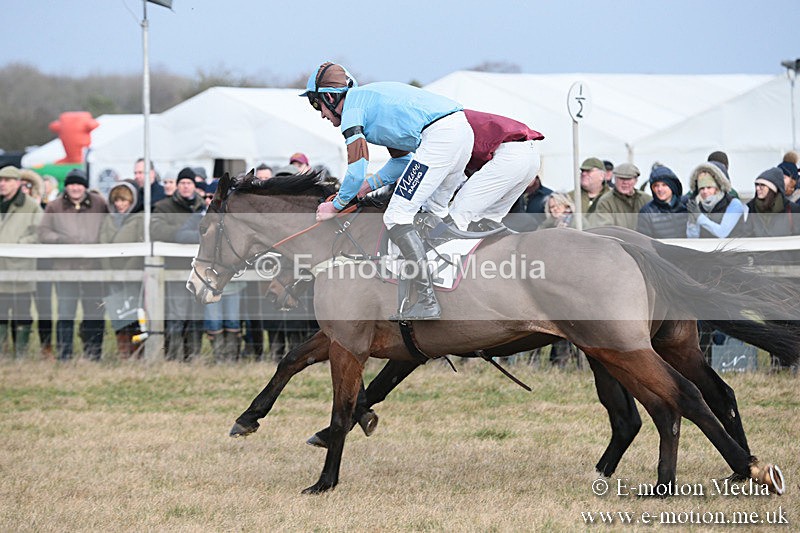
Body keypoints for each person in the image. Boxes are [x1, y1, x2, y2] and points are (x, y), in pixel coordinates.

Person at [305, 62, 542, 319]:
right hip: (458, 132)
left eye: (317, 105)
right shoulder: (370, 103)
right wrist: (369, 186)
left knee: (397, 216)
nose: (321, 115)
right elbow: (401, 162)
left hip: (443, 136)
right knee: (434, 214)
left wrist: (336, 205)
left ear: (329, 97)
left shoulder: (352, 110)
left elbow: (355, 169)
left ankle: (427, 299)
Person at [38, 168, 109, 361]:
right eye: (71, 184)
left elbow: (110, 224)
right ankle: (65, 356)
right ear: (66, 187)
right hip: (65, 269)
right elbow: (43, 231)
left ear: (85, 187)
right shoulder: (54, 206)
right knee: (65, 313)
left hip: (93, 269)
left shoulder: (99, 203)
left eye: (79, 184)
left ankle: (93, 355)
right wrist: (60, 239)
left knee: (94, 315)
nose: (75, 188)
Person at [151, 167, 205, 361]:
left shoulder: (203, 206)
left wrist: (188, 235)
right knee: (176, 314)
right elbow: (157, 230)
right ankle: (173, 357)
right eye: (182, 183)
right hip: (174, 269)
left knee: (196, 314)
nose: (185, 186)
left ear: (194, 185)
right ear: (177, 185)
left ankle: (194, 357)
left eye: (189, 183)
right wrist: (184, 233)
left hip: (199, 270)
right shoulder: (163, 207)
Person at [0, 166, 43, 358]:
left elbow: (40, 232)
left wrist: (19, 245)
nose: (3, 184)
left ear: (18, 183)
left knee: (21, 314)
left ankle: (20, 356)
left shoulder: (31, 205)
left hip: (20, 269)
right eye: (1, 180)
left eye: (8, 180)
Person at [99, 181, 144, 359]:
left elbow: (141, 244)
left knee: (134, 314)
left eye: (124, 200)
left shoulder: (140, 218)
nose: (120, 204)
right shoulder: (108, 219)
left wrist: (127, 270)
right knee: (117, 313)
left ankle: (137, 351)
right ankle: (123, 351)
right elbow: (102, 243)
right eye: (117, 200)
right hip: (112, 275)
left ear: (131, 200)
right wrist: (110, 270)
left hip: (132, 275)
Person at [19, 169, 54, 357]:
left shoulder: (44, 208)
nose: (24, 189)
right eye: (21, 185)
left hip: (41, 264)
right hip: (19, 266)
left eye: (28, 185)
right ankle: (16, 347)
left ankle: (46, 346)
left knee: (44, 308)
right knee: (20, 307)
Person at [685, 162, 745, 239]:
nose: (705, 191)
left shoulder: (734, 204)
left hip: (731, 248)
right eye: (702, 188)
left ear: (717, 188)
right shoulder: (699, 207)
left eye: (709, 187)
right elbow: (692, 237)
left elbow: (722, 233)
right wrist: (692, 221)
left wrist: (699, 217)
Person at [591, 162, 650, 230]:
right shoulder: (605, 202)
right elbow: (605, 230)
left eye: (628, 179)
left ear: (636, 180)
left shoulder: (646, 199)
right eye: (621, 178)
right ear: (615, 179)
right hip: (617, 240)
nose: (625, 182)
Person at [636, 164, 688, 238]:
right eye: (656, 185)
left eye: (664, 185)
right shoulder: (647, 212)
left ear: (672, 186)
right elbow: (644, 242)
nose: (660, 189)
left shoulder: (686, 206)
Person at [569, 157, 610, 228]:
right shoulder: (570, 198)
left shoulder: (612, 198)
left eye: (588, 171)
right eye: (582, 171)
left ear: (602, 176)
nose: (584, 174)